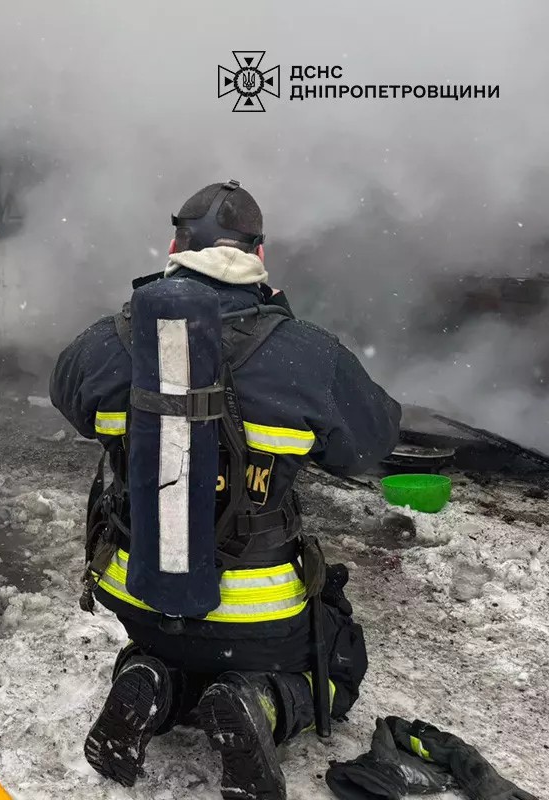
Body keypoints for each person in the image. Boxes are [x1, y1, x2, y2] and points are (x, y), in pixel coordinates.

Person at [50, 180, 402, 799]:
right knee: (340, 662)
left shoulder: (107, 343)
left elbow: (69, 395)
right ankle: (258, 702)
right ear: (259, 257)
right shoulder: (309, 356)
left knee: (172, 648)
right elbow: (372, 445)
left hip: (140, 595)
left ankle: (152, 679)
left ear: (173, 245)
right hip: (260, 615)